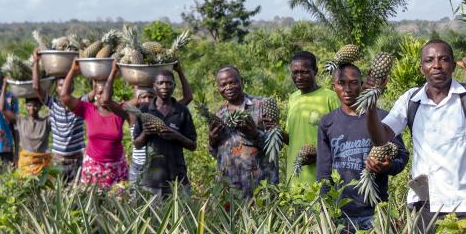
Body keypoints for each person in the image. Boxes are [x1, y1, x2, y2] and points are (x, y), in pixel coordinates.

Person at [365, 40, 466, 234]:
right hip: (423, 207)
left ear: (453, 66)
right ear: (422, 69)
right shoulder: (411, 99)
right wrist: (370, 101)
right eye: (429, 60)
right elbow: (380, 137)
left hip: (465, 207)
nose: (436, 65)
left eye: (443, 59)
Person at [317, 63, 406, 233]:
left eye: (353, 82)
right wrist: (324, 210)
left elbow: (402, 156)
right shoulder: (327, 122)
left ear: (362, 83)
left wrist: (387, 167)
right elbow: (323, 170)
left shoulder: (382, 117)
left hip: (376, 211)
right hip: (340, 213)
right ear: (333, 86)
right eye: (341, 83)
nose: (347, 89)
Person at [57, 60, 129, 188]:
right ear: (95, 94)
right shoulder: (88, 109)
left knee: (118, 204)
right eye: (99, 93)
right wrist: (73, 71)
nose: (103, 96)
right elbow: (64, 96)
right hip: (93, 166)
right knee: (92, 204)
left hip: (117, 167)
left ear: (111, 92)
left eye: (106, 92)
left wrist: (115, 72)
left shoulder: (119, 110)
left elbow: (141, 99)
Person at [208, 65, 275, 197]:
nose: (228, 87)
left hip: (260, 186)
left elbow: (275, 145)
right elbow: (216, 154)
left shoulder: (262, 105)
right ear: (218, 88)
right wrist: (212, 141)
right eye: (223, 84)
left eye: (232, 82)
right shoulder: (218, 115)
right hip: (230, 187)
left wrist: (255, 134)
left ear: (241, 81)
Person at [134, 66, 198, 199]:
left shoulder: (181, 110)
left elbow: (193, 145)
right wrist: (145, 133)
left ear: (174, 86)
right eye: (161, 83)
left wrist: (176, 136)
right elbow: (137, 144)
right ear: (154, 86)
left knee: (182, 216)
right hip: (152, 178)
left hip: (177, 176)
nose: (165, 86)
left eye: (169, 83)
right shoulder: (144, 110)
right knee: (154, 218)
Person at [283, 51, 340, 184]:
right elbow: (292, 139)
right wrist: (274, 130)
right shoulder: (293, 98)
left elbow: (342, 138)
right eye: (295, 72)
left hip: (322, 179)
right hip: (295, 180)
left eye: (304, 72)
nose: (299, 77)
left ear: (315, 71)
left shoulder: (330, 97)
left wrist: (319, 156)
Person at [32, 51, 86, 182]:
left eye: (66, 85)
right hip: (58, 161)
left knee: (77, 198)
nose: (64, 88)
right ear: (56, 89)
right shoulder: (52, 104)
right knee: (58, 197)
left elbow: (96, 92)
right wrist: (36, 62)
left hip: (77, 160)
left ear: (72, 87)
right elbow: (36, 87)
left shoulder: (81, 105)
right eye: (60, 85)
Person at [16, 96, 52, 176]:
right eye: (29, 105)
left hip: (42, 165)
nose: (32, 108)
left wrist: (48, 96)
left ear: (40, 106)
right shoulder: (20, 121)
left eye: (35, 105)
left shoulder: (46, 122)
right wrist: (5, 86)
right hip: (25, 165)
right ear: (26, 106)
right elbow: (2, 109)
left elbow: (57, 111)